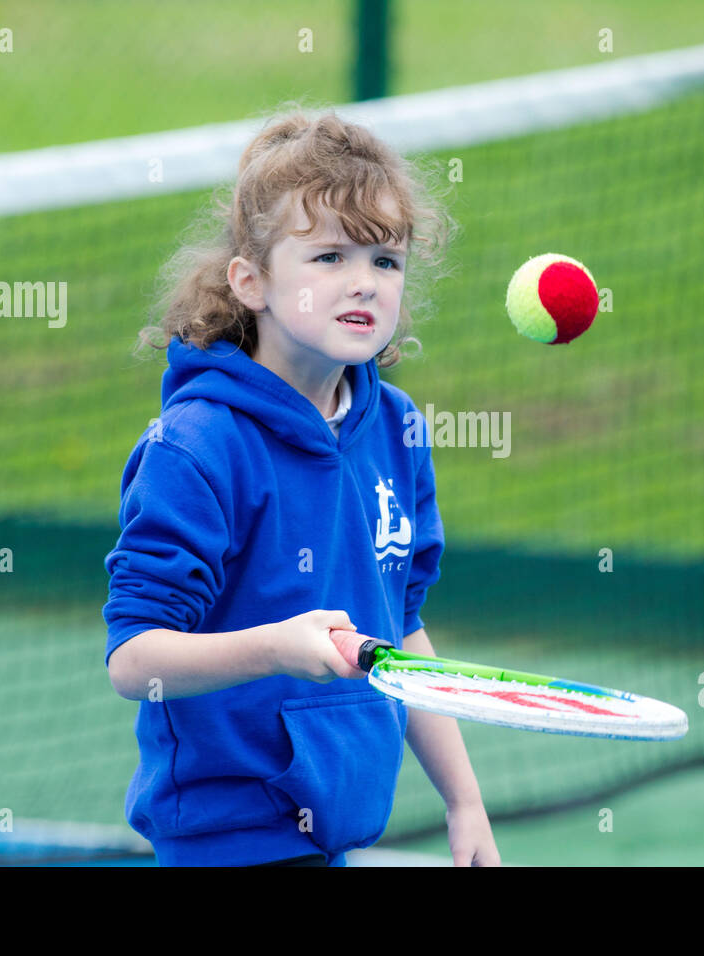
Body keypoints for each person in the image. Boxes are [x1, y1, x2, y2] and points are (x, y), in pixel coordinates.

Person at [102, 105, 500, 867]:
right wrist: (277, 648)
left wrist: (465, 800)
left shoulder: (396, 429)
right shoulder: (198, 448)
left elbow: (401, 628)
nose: (364, 282)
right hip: (226, 838)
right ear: (250, 281)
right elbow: (134, 660)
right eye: (329, 258)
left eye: (386, 261)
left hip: (337, 828)